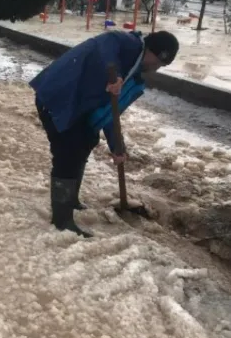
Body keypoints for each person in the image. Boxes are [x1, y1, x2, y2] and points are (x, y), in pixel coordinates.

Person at [30, 30, 179, 238]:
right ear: (154, 52)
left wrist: (118, 148)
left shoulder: (133, 76)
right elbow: (107, 41)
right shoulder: (127, 45)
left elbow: (111, 114)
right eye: (160, 63)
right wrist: (116, 74)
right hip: (59, 98)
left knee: (87, 139)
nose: (157, 69)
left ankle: (70, 200)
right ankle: (62, 221)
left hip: (79, 107)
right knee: (67, 153)